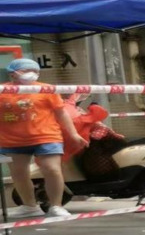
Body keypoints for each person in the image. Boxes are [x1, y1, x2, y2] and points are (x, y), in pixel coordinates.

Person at [0, 59, 88, 218]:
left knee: (52, 169)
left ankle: (56, 206)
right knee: (19, 173)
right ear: (13, 73)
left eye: (35, 71)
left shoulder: (46, 89)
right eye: (26, 70)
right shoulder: (2, 90)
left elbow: (61, 113)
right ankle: (29, 206)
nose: (32, 73)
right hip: (12, 141)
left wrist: (74, 134)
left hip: (47, 136)